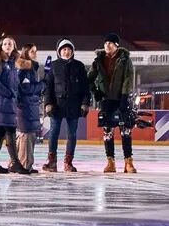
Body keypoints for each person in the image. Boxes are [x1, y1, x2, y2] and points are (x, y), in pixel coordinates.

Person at [88, 32, 137, 173]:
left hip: (120, 99)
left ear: (116, 45)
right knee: (108, 131)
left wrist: (124, 96)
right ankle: (110, 162)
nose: (107, 45)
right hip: (106, 100)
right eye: (105, 43)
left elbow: (128, 77)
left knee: (126, 131)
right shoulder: (98, 60)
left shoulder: (125, 59)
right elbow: (89, 78)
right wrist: (95, 91)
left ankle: (128, 162)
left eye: (110, 43)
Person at [42, 38, 90, 172]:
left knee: (72, 134)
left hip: (74, 105)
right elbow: (48, 87)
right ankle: (52, 162)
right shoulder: (53, 65)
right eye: (64, 49)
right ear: (59, 51)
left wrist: (85, 103)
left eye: (69, 49)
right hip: (57, 105)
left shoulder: (79, 66)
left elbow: (85, 87)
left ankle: (68, 162)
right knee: (53, 132)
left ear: (72, 51)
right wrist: (48, 103)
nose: (66, 51)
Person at [0, 36, 29, 174]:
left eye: (10, 43)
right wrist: (8, 93)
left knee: (1, 132)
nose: (7, 45)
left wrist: (17, 96)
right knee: (10, 130)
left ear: (14, 46)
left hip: (8, 103)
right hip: (1, 103)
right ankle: (15, 163)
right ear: (1, 46)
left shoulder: (14, 62)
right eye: (5, 43)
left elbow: (16, 82)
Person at [15, 44, 45, 173]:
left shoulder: (30, 69)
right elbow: (27, 89)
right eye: (32, 51)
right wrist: (42, 84)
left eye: (36, 51)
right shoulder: (25, 70)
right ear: (26, 53)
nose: (35, 53)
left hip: (30, 106)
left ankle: (21, 163)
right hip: (26, 107)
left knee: (28, 135)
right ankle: (24, 164)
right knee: (26, 136)